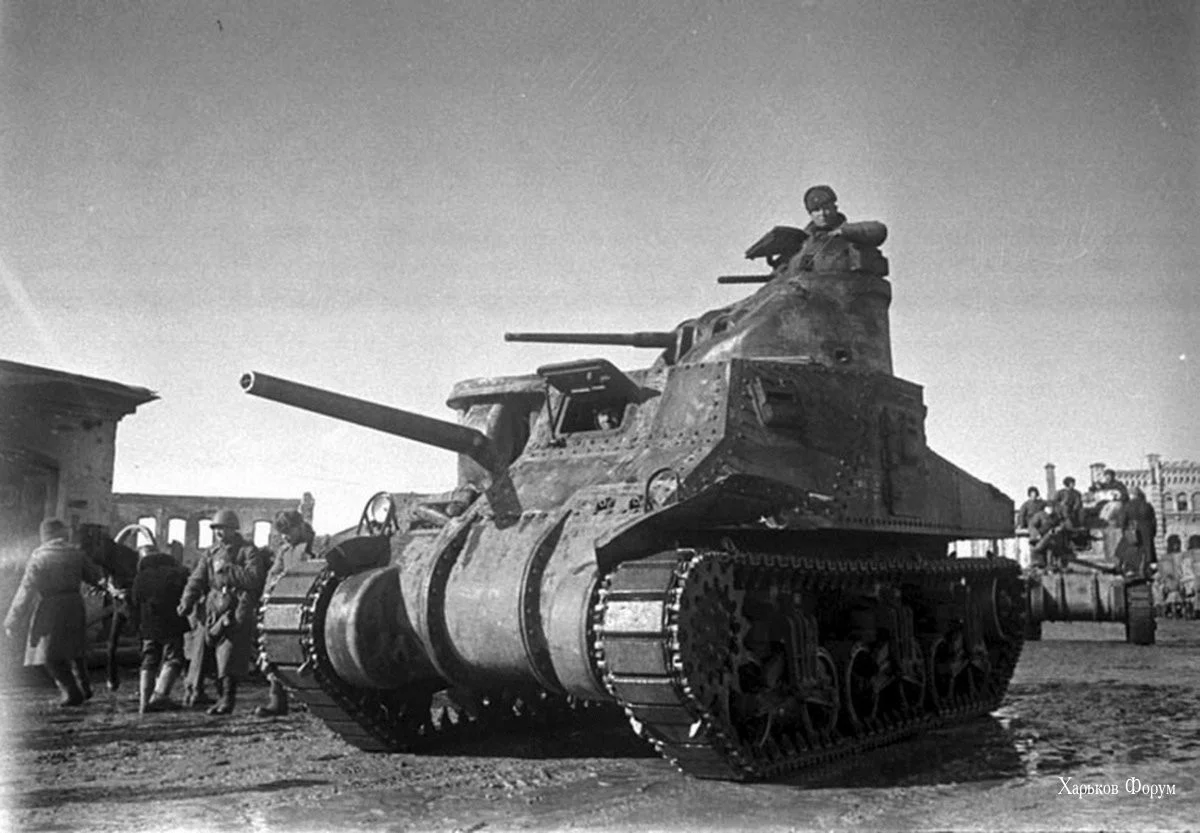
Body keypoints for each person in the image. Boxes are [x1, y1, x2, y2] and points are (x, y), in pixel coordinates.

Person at [177, 509, 269, 716]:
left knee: (229, 654)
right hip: (213, 606)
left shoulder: (248, 551)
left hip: (237, 606)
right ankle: (202, 692)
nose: (219, 533)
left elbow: (255, 579)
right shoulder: (211, 552)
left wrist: (228, 569)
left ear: (233, 529)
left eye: (223, 528)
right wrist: (187, 600)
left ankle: (227, 699)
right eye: (216, 528)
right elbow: (197, 579)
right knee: (205, 651)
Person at [3, 518, 104, 707]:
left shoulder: (39, 557)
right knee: (75, 648)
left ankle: (71, 691)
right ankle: (85, 686)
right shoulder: (76, 554)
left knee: (49, 655)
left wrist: (12, 621)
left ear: (45, 536)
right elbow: (96, 577)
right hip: (75, 605)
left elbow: (26, 590)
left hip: (51, 607)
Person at [255, 509, 318, 718]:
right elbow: (272, 575)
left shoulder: (314, 547)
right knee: (275, 650)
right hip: (283, 607)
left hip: (308, 608)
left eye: (288, 532)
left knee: (308, 654)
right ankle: (277, 699)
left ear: (300, 527)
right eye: (282, 533)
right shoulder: (284, 551)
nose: (285, 537)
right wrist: (268, 597)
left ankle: (313, 700)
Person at [129, 544, 192, 713]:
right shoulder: (176, 573)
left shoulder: (141, 576)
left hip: (149, 625)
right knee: (174, 658)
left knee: (149, 660)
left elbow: (135, 600)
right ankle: (160, 695)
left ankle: (144, 703)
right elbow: (185, 594)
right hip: (173, 622)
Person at [791, 185, 888, 273]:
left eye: (826, 208)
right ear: (810, 214)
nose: (822, 214)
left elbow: (879, 230)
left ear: (835, 208)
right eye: (816, 210)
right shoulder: (804, 243)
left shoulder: (853, 234)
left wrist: (844, 231)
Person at [1119, 486, 1158, 577]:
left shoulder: (1127, 505)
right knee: (1148, 550)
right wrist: (1153, 532)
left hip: (1133, 530)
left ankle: (1132, 570)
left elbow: (1123, 521)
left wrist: (1124, 531)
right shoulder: (1148, 505)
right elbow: (1154, 521)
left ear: (1131, 495)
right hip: (1147, 530)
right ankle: (1150, 569)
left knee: (1133, 549)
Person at [1029, 502, 1070, 569]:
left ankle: (1051, 565)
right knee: (1040, 550)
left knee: (1051, 548)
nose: (1051, 509)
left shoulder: (1056, 516)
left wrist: (1059, 528)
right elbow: (1032, 525)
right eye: (1049, 507)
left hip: (1053, 537)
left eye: (1052, 507)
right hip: (1040, 538)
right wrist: (1036, 534)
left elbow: (1061, 523)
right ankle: (1042, 565)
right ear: (1045, 508)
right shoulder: (1039, 515)